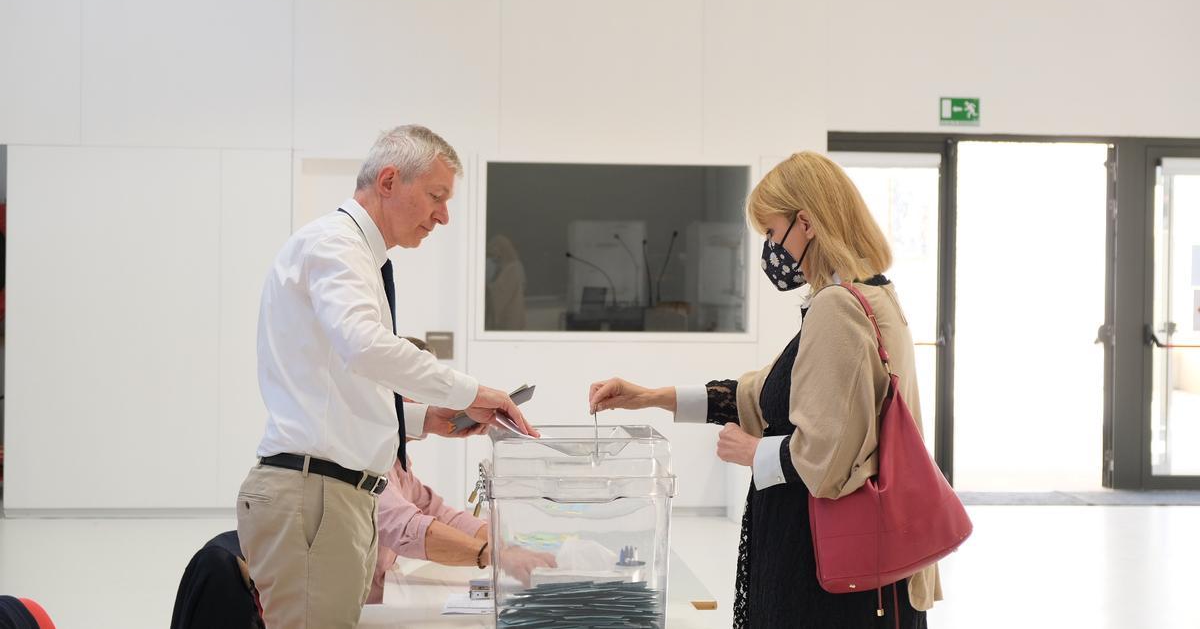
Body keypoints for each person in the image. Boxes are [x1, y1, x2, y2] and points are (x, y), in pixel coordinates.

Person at [588, 151, 940, 628]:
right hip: (852, 566)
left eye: (772, 233)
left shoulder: (839, 308)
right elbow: (764, 393)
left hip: (820, 571)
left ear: (807, 223)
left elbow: (829, 457)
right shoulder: (871, 295)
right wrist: (651, 396)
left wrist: (754, 451)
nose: (771, 249)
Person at [237, 125, 537, 629]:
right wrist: (473, 391)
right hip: (317, 494)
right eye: (437, 197)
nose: (444, 215)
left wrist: (423, 418)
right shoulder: (335, 245)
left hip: (335, 493)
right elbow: (366, 346)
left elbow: (339, 385)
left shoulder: (354, 253)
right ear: (390, 180)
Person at [368, 338, 556, 603]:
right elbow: (405, 526)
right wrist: (492, 555)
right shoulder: (369, 457)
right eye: (419, 389)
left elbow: (439, 514)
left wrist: (506, 546)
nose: (431, 401)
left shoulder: (399, 461)